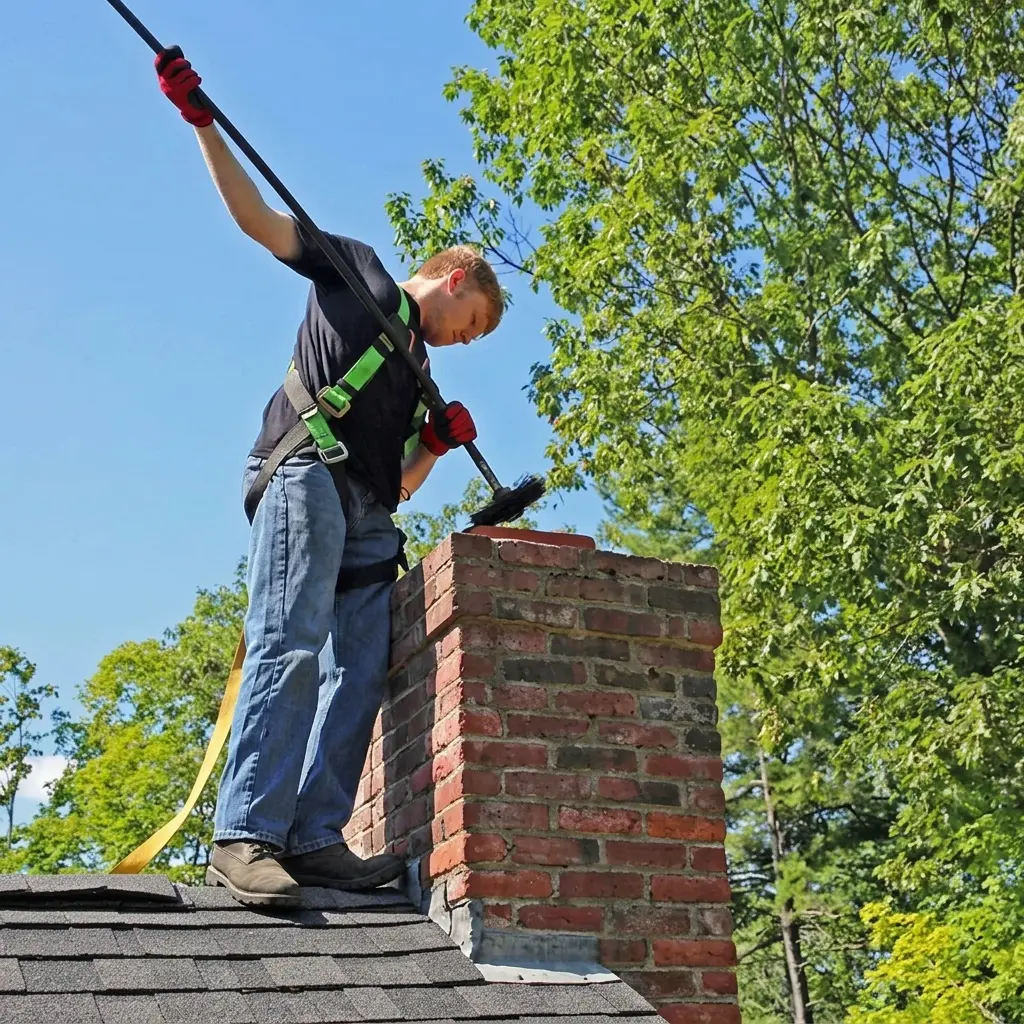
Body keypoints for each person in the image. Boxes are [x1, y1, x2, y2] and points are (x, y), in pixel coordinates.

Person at [154, 47, 504, 907]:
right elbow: (258, 223)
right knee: (293, 639)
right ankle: (245, 834)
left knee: (359, 665)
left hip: (369, 508)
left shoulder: (418, 373)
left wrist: (436, 446)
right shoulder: (357, 270)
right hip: (305, 469)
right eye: (473, 323)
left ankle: (313, 835)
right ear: (455, 277)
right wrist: (203, 126)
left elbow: (404, 487)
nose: (466, 341)